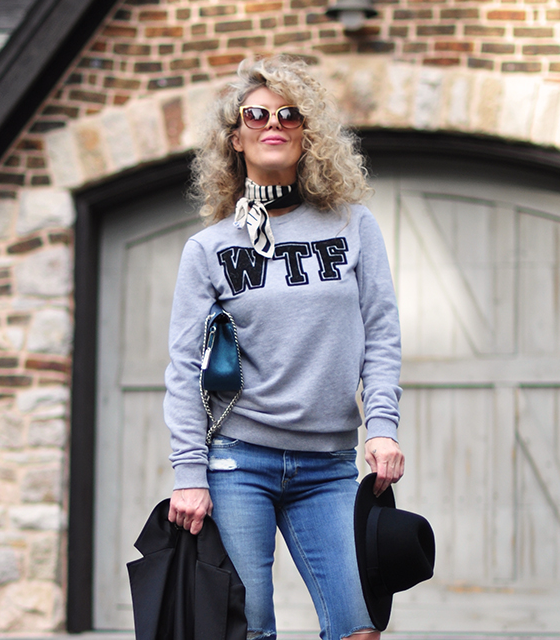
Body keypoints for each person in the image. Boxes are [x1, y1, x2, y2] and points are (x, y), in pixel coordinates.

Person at [164, 55, 404, 640]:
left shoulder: (351, 224)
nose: (275, 123)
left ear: (308, 136)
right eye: (257, 114)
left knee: (359, 627)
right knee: (248, 629)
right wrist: (188, 473)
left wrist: (383, 426)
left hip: (328, 466)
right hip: (237, 461)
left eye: (290, 115)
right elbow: (183, 370)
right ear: (237, 137)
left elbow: (381, 333)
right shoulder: (209, 248)